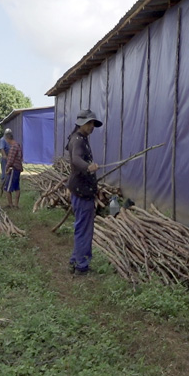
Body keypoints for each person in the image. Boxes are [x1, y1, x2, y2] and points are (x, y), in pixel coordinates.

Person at [66, 109, 103, 275]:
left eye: (93, 123)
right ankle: (82, 266)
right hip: (82, 190)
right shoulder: (78, 140)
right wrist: (88, 167)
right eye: (89, 123)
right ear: (82, 123)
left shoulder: (79, 138)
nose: (91, 126)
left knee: (81, 227)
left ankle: (76, 260)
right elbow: (76, 159)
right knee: (84, 229)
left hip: (81, 189)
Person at [4, 131, 23, 208]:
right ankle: (16, 205)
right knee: (16, 187)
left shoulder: (13, 147)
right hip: (18, 169)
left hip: (13, 169)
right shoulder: (18, 146)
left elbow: (10, 160)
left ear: (8, 139)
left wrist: (6, 168)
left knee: (7, 188)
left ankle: (10, 205)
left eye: (6, 139)